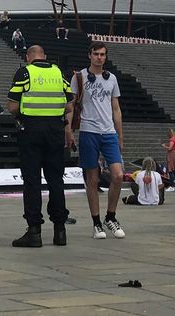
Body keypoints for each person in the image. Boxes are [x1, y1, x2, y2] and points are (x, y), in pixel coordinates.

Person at [7, 45, 73, 248]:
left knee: (32, 181)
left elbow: (13, 105)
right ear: (44, 56)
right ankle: (60, 230)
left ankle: (34, 231)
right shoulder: (58, 73)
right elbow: (69, 105)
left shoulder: (24, 72)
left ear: (29, 58)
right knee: (56, 181)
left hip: (31, 131)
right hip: (55, 131)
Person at [70, 41, 127, 240]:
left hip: (109, 132)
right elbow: (71, 107)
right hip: (88, 131)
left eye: (103, 54)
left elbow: (116, 108)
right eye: (96, 54)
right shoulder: (79, 77)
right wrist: (68, 132)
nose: (99, 58)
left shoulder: (111, 78)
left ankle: (110, 216)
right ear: (89, 55)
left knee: (118, 175)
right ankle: (96, 222)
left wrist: (120, 135)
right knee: (92, 179)